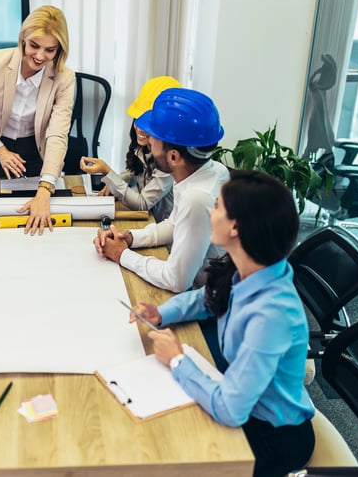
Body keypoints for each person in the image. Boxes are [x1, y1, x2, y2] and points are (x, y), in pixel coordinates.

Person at [131, 170, 315, 477]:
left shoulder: (272, 315)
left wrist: (177, 360)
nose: (209, 211)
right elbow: (207, 299)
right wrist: (162, 313)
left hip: (273, 435)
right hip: (246, 400)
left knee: (167, 451)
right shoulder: (250, 266)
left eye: (217, 207)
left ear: (235, 227)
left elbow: (231, 409)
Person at [94, 88, 229, 293]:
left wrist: (122, 255)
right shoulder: (208, 171)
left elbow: (176, 280)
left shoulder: (197, 198)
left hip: (205, 302)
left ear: (174, 156)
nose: (149, 141)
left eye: (154, 138)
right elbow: (174, 224)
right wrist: (130, 238)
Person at [0, 5, 75, 235]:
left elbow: (57, 134)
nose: (39, 56)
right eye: (34, 46)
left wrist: (45, 189)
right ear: (23, 39)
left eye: (50, 50)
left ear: (59, 50)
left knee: (33, 214)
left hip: (36, 149)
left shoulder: (65, 78)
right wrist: (1, 151)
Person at [79, 76, 181, 222]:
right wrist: (115, 182)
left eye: (148, 124)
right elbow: (134, 172)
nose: (140, 128)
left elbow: (142, 204)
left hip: (162, 232)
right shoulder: (143, 147)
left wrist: (108, 172)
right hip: (148, 222)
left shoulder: (169, 162)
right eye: (138, 119)